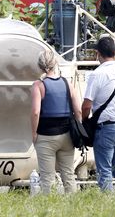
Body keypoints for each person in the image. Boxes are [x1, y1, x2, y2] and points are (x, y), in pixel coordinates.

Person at [82, 36, 115, 191]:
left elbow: (87, 105)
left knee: (104, 170)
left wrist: (84, 122)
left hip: (106, 128)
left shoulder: (97, 74)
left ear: (98, 53)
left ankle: (108, 206)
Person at [30, 50, 81, 194]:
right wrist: (78, 128)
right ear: (55, 64)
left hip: (46, 136)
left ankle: (50, 209)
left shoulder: (38, 86)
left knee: (47, 178)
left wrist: (34, 134)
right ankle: (73, 206)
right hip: (67, 136)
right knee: (69, 175)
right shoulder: (67, 83)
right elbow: (78, 111)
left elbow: (35, 112)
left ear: (40, 66)